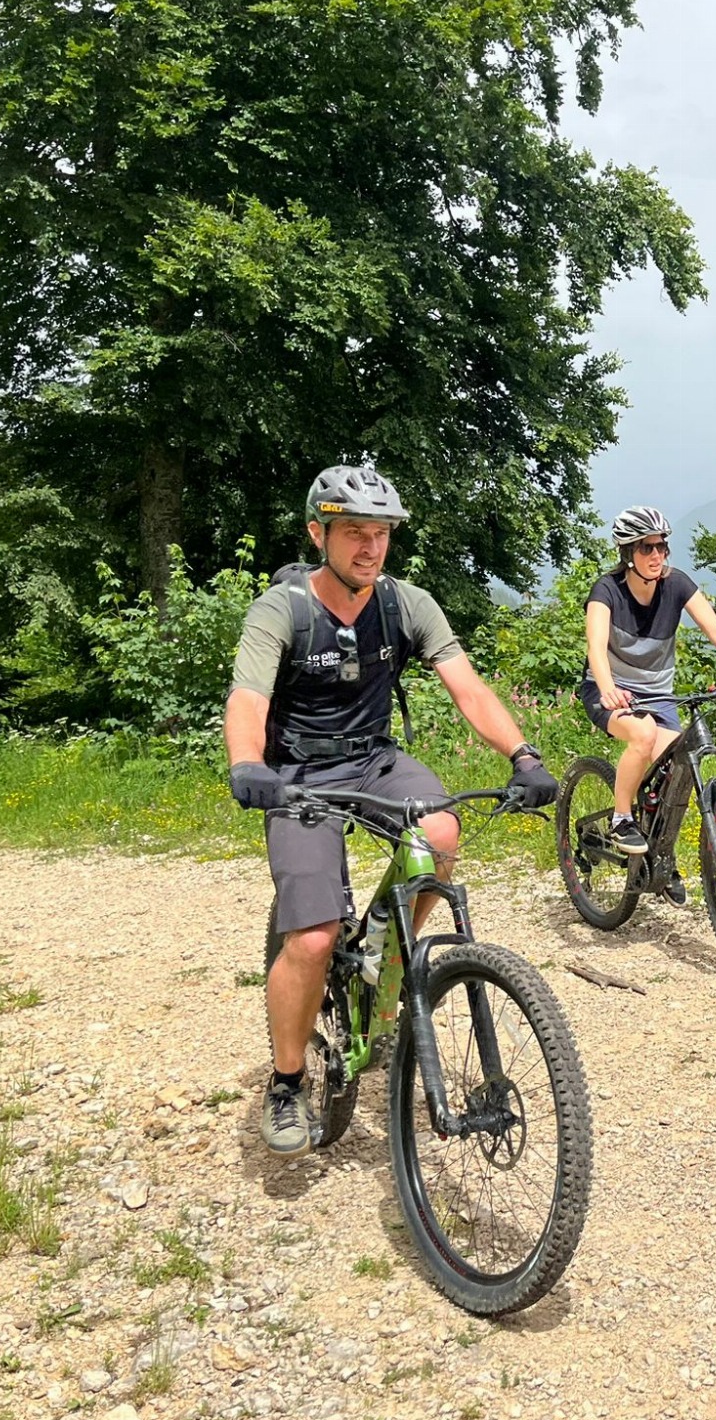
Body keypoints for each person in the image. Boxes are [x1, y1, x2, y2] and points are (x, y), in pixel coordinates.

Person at [224, 465, 560, 1157]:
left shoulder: (407, 603)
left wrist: (523, 756)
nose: (370, 548)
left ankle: (388, 957)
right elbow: (249, 699)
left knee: (440, 830)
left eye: (380, 534)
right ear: (319, 533)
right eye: (354, 533)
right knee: (312, 939)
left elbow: (467, 688)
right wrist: (248, 765)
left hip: (373, 758)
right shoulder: (281, 610)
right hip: (295, 775)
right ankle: (288, 1081)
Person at [580, 506, 716, 859]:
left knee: (679, 773)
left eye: (661, 547)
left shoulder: (676, 584)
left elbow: (715, 629)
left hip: (659, 696)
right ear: (628, 553)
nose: (657, 555)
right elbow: (596, 646)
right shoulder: (606, 591)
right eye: (647, 548)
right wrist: (608, 687)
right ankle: (621, 818)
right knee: (642, 735)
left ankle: (660, 857)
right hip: (609, 691)